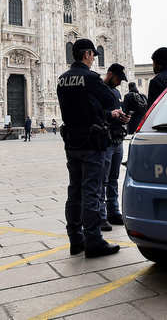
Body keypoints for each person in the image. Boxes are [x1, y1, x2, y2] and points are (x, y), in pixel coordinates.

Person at [57, 38, 129, 258]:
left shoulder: (62, 79)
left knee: (74, 190)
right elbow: (109, 100)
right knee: (92, 190)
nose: (93, 58)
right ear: (87, 54)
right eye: (93, 54)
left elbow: (81, 107)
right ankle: (94, 240)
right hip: (92, 141)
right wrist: (111, 113)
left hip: (72, 141)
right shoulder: (90, 78)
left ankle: (75, 239)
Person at [100, 63, 128, 230]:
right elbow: (97, 113)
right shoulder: (100, 90)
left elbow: (119, 110)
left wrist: (124, 118)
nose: (119, 82)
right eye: (118, 78)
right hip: (106, 139)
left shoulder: (117, 92)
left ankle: (114, 211)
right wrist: (111, 115)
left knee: (113, 178)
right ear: (110, 74)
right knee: (102, 179)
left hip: (118, 139)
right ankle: (101, 215)